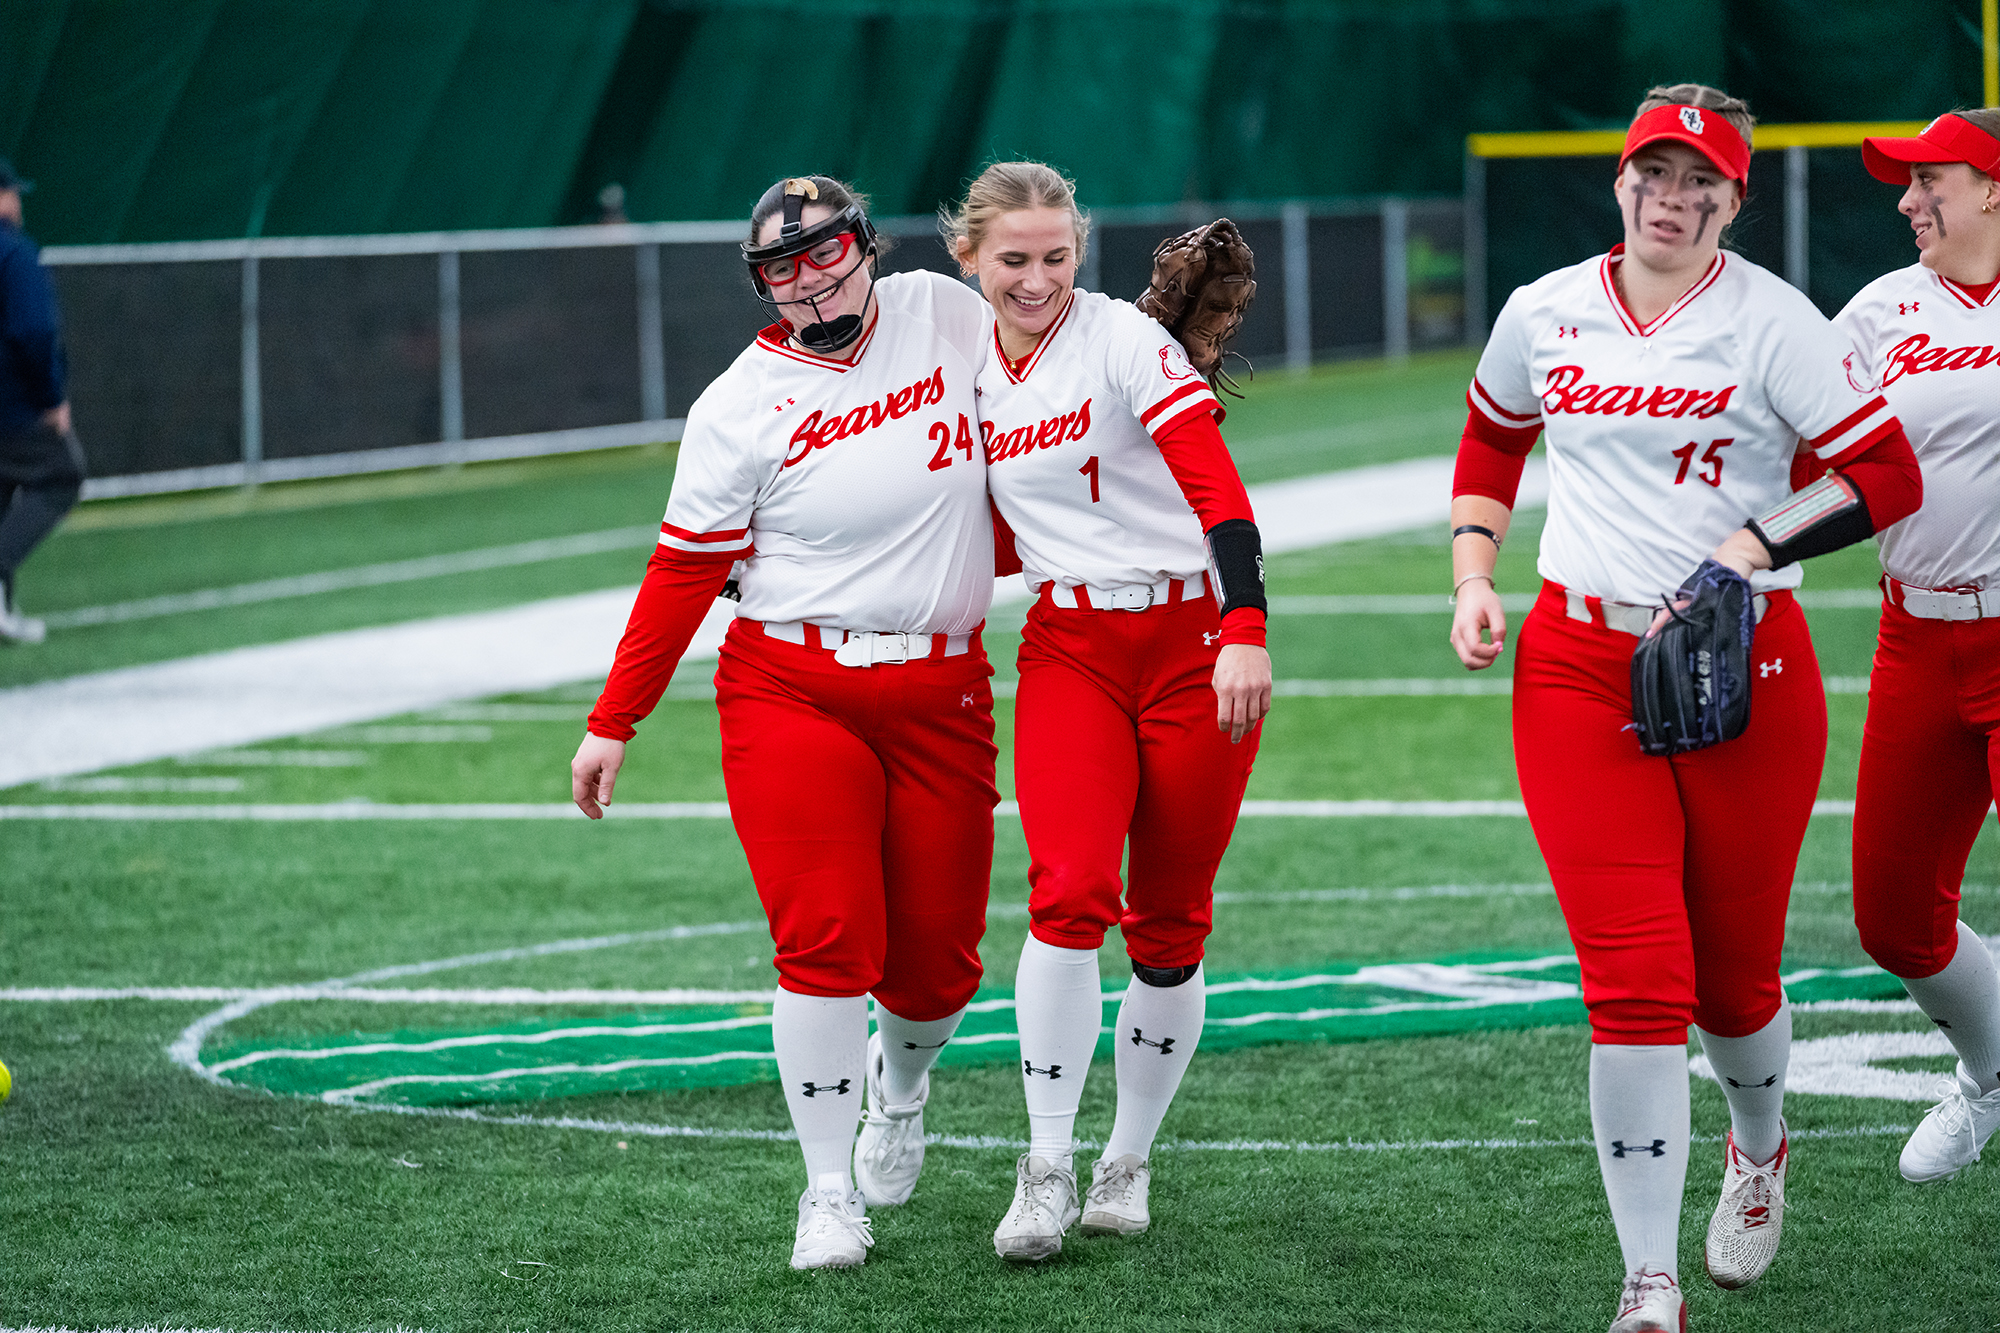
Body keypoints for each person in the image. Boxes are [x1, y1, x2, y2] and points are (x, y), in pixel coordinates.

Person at [1447, 85, 1921, 1332]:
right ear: (1618, 179)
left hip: (1744, 672)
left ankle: (1757, 1148)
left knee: (1731, 985)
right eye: (1653, 170)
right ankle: (1646, 1280)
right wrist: (1471, 574)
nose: (1673, 193)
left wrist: (1752, 545)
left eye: (1699, 177)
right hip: (1577, 666)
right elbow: (1493, 435)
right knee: (1635, 984)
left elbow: (1883, 474)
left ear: (1733, 195)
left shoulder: (1771, 320)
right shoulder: (1540, 308)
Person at [570, 176, 998, 1270]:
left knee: (938, 968)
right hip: (790, 684)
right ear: (761, 283)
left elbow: (1050, 362)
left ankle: (898, 1091)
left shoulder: (943, 312)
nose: (808, 277)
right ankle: (822, 1192)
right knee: (823, 941)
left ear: (865, 244)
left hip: (943, 684)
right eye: (782, 264)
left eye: (824, 251)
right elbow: (679, 574)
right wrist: (613, 719)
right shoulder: (737, 403)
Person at [943, 162, 1273, 1262]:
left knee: (1170, 922)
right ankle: (1043, 1162)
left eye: (1054, 256)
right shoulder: (961, 362)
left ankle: (1125, 1156)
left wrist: (1243, 629)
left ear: (1078, 252)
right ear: (968, 258)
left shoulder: (1126, 342)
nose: (1034, 278)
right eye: (1011, 260)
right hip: (1071, 646)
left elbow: (1217, 493)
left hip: (1191, 645)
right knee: (1070, 891)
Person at [1835, 108, 2000, 1183]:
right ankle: (1990, 1075)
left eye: (1927, 179)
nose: (1906, 200)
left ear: (1991, 186)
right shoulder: (1876, 310)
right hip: (1912, 633)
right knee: (1892, 919)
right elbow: (1806, 452)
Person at [0, 157, 83, 646]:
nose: (18, 202)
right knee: (62, 474)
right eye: (11, 192)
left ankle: (3, 612)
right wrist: (52, 399)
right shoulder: (13, 253)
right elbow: (33, 331)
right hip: (12, 407)